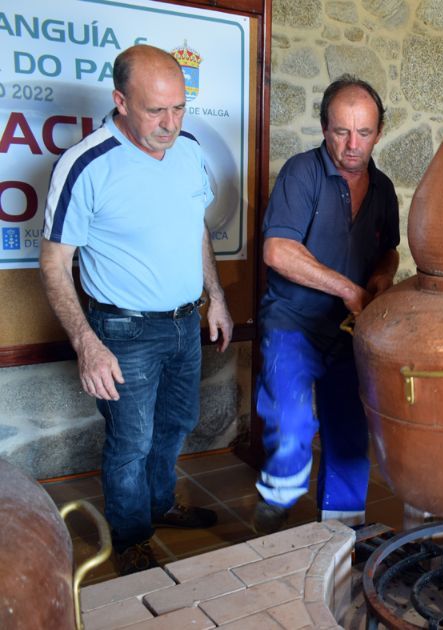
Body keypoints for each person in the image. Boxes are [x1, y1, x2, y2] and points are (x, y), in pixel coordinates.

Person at [39, 44, 233, 575]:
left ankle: (159, 503)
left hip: (183, 323)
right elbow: (55, 263)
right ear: (120, 101)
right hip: (122, 330)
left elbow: (196, 227)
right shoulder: (86, 163)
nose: (170, 125)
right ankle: (130, 537)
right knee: (131, 441)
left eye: (179, 109)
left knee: (177, 422)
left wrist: (214, 297)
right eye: (155, 111)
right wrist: (87, 343)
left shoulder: (189, 150)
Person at [252, 75, 399, 534]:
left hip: (350, 331)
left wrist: (378, 281)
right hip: (293, 322)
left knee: (351, 431)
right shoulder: (302, 172)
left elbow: (388, 249)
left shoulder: (383, 189)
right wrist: (350, 290)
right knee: (291, 420)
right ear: (323, 129)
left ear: (379, 132)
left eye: (365, 132)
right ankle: (277, 503)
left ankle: (341, 531)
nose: (353, 145)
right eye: (341, 131)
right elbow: (277, 250)